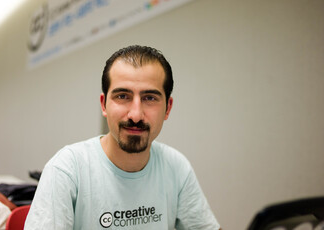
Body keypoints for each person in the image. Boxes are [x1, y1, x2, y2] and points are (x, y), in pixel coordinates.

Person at [25, 45, 221, 230]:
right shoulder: (67, 170)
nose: (135, 115)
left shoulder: (176, 167)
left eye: (150, 98)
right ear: (104, 105)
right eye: (122, 96)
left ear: (168, 108)